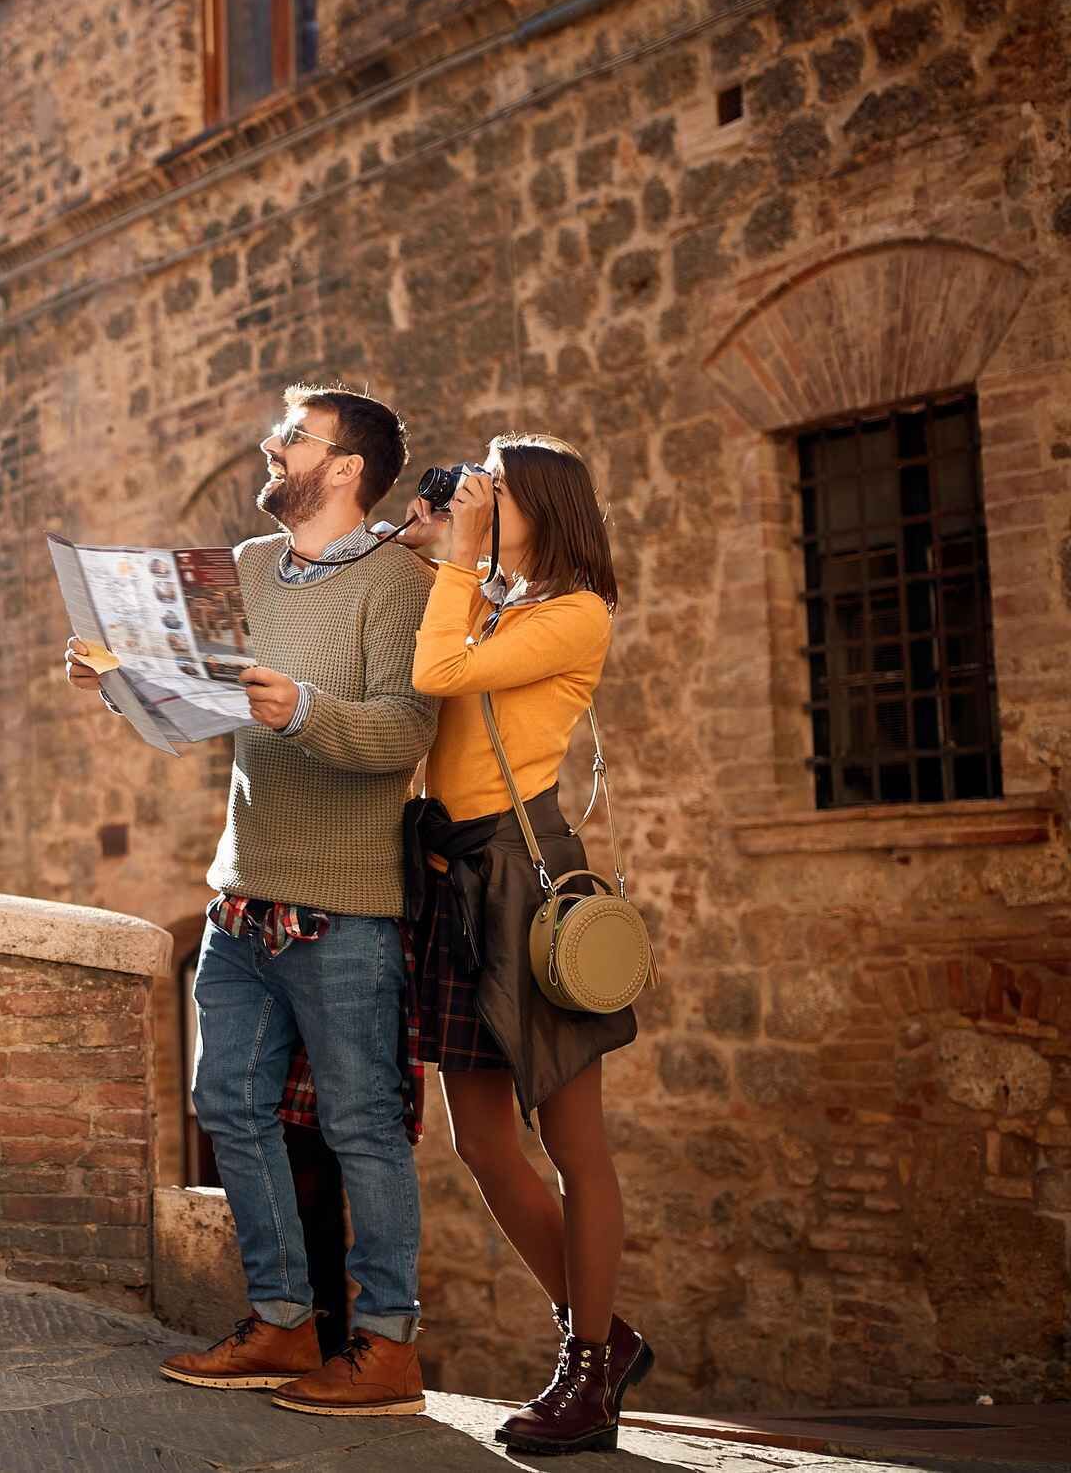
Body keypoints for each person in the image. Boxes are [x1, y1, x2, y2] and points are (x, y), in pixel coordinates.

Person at [68, 384, 436, 1417]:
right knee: (224, 1102)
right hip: (242, 897)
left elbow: (404, 736)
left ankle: (387, 1345)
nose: (273, 448)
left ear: (346, 469)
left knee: (363, 1127)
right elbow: (191, 703)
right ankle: (281, 1320)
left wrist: (305, 708)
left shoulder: (398, 583)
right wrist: (119, 678)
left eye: (295, 438)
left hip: (347, 906)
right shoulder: (236, 569)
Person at [400, 436, 647, 1456]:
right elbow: (440, 663)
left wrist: (454, 560)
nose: (478, 501)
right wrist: (428, 550)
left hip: (521, 877)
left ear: (540, 505)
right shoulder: (499, 600)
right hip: (455, 876)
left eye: (494, 492)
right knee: (482, 1144)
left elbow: (436, 668)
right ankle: (611, 1337)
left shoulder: (574, 615)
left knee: (572, 1144)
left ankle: (585, 1369)